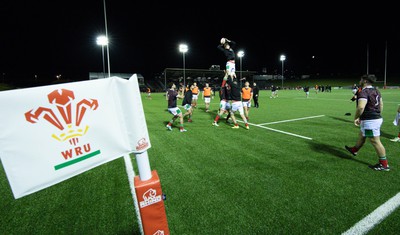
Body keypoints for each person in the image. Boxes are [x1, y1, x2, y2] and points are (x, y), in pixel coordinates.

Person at [345, 74, 389, 171]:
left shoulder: (364, 92)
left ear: (365, 81)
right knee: (362, 135)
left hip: (370, 121)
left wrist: (356, 118)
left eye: (361, 79)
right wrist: (377, 115)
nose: (360, 81)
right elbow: (381, 104)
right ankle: (354, 150)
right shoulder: (376, 90)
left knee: (375, 141)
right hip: (373, 118)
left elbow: (360, 107)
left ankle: (384, 165)